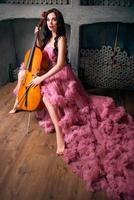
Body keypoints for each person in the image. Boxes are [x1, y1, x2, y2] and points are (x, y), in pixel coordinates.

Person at [9, 8, 134, 200]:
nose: (50, 23)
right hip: (46, 72)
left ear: (59, 22)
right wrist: (35, 38)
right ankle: (20, 102)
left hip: (61, 75)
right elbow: (36, 56)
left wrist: (41, 77)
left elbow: (59, 65)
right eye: (48, 20)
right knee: (26, 75)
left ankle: (60, 133)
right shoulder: (45, 40)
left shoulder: (60, 39)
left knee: (46, 93)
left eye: (54, 20)